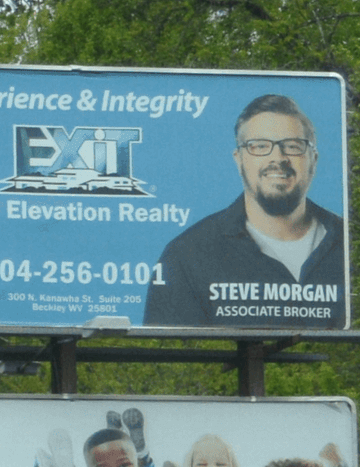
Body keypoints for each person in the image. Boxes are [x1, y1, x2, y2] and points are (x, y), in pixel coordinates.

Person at [145, 94, 346, 328]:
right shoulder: (186, 255)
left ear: (314, 159)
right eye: (260, 146)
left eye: (292, 146)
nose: (277, 158)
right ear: (239, 159)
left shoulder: (351, 244)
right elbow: (169, 357)